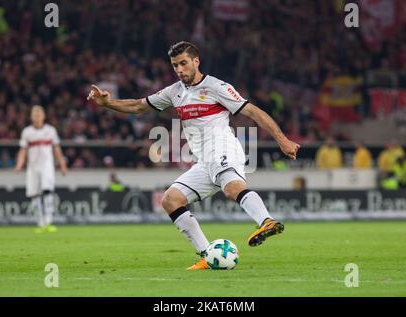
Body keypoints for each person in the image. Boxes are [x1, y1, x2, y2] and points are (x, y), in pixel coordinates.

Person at [87, 41, 300, 270]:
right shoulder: (174, 91)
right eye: (175, 65)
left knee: (231, 188)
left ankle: (266, 221)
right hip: (204, 161)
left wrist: (282, 139)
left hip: (223, 148)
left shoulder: (216, 87)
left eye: (184, 63)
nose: (179, 69)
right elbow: (139, 106)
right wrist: (107, 103)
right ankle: (208, 255)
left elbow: (253, 112)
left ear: (196, 62)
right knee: (171, 200)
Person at [15, 105, 68, 233]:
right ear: (32, 117)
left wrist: (62, 165)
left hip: (47, 166)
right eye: (35, 115)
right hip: (32, 168)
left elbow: (56, 149)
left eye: (39, 115)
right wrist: (19, 164)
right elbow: (23, 150)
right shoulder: (27, 132)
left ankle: (49, 221)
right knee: (34, 194)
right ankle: (40, 223)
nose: (37, 117)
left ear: (43, 116)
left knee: (48, 191)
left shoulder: (50, 131)